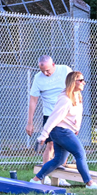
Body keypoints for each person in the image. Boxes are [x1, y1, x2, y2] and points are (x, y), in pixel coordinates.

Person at [30, 71, 94, 189]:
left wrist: (76, 127)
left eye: (83, 80)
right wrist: (43, 135)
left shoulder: (77, 95)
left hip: (66, 130)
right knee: (80, 154)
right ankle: (89, 183)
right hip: (60, 131)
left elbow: (76, 115)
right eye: (80, 80)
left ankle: (36, 180)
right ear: (72, 82)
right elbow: (53, 118)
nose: (83, 83)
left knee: (59, 160)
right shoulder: (65, 99)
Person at [26, 55, 73, 186]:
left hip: (65, 114)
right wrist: (30, 122)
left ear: (54, 64)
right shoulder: (38, 78)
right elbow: (33, 100)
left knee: (65, 145)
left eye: (47, 70)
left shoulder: (65, 70)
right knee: (50, 144)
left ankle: (60, 176)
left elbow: (75, 89)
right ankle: (45, 176)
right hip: (50, 115)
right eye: (42, 71)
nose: (45, 73)